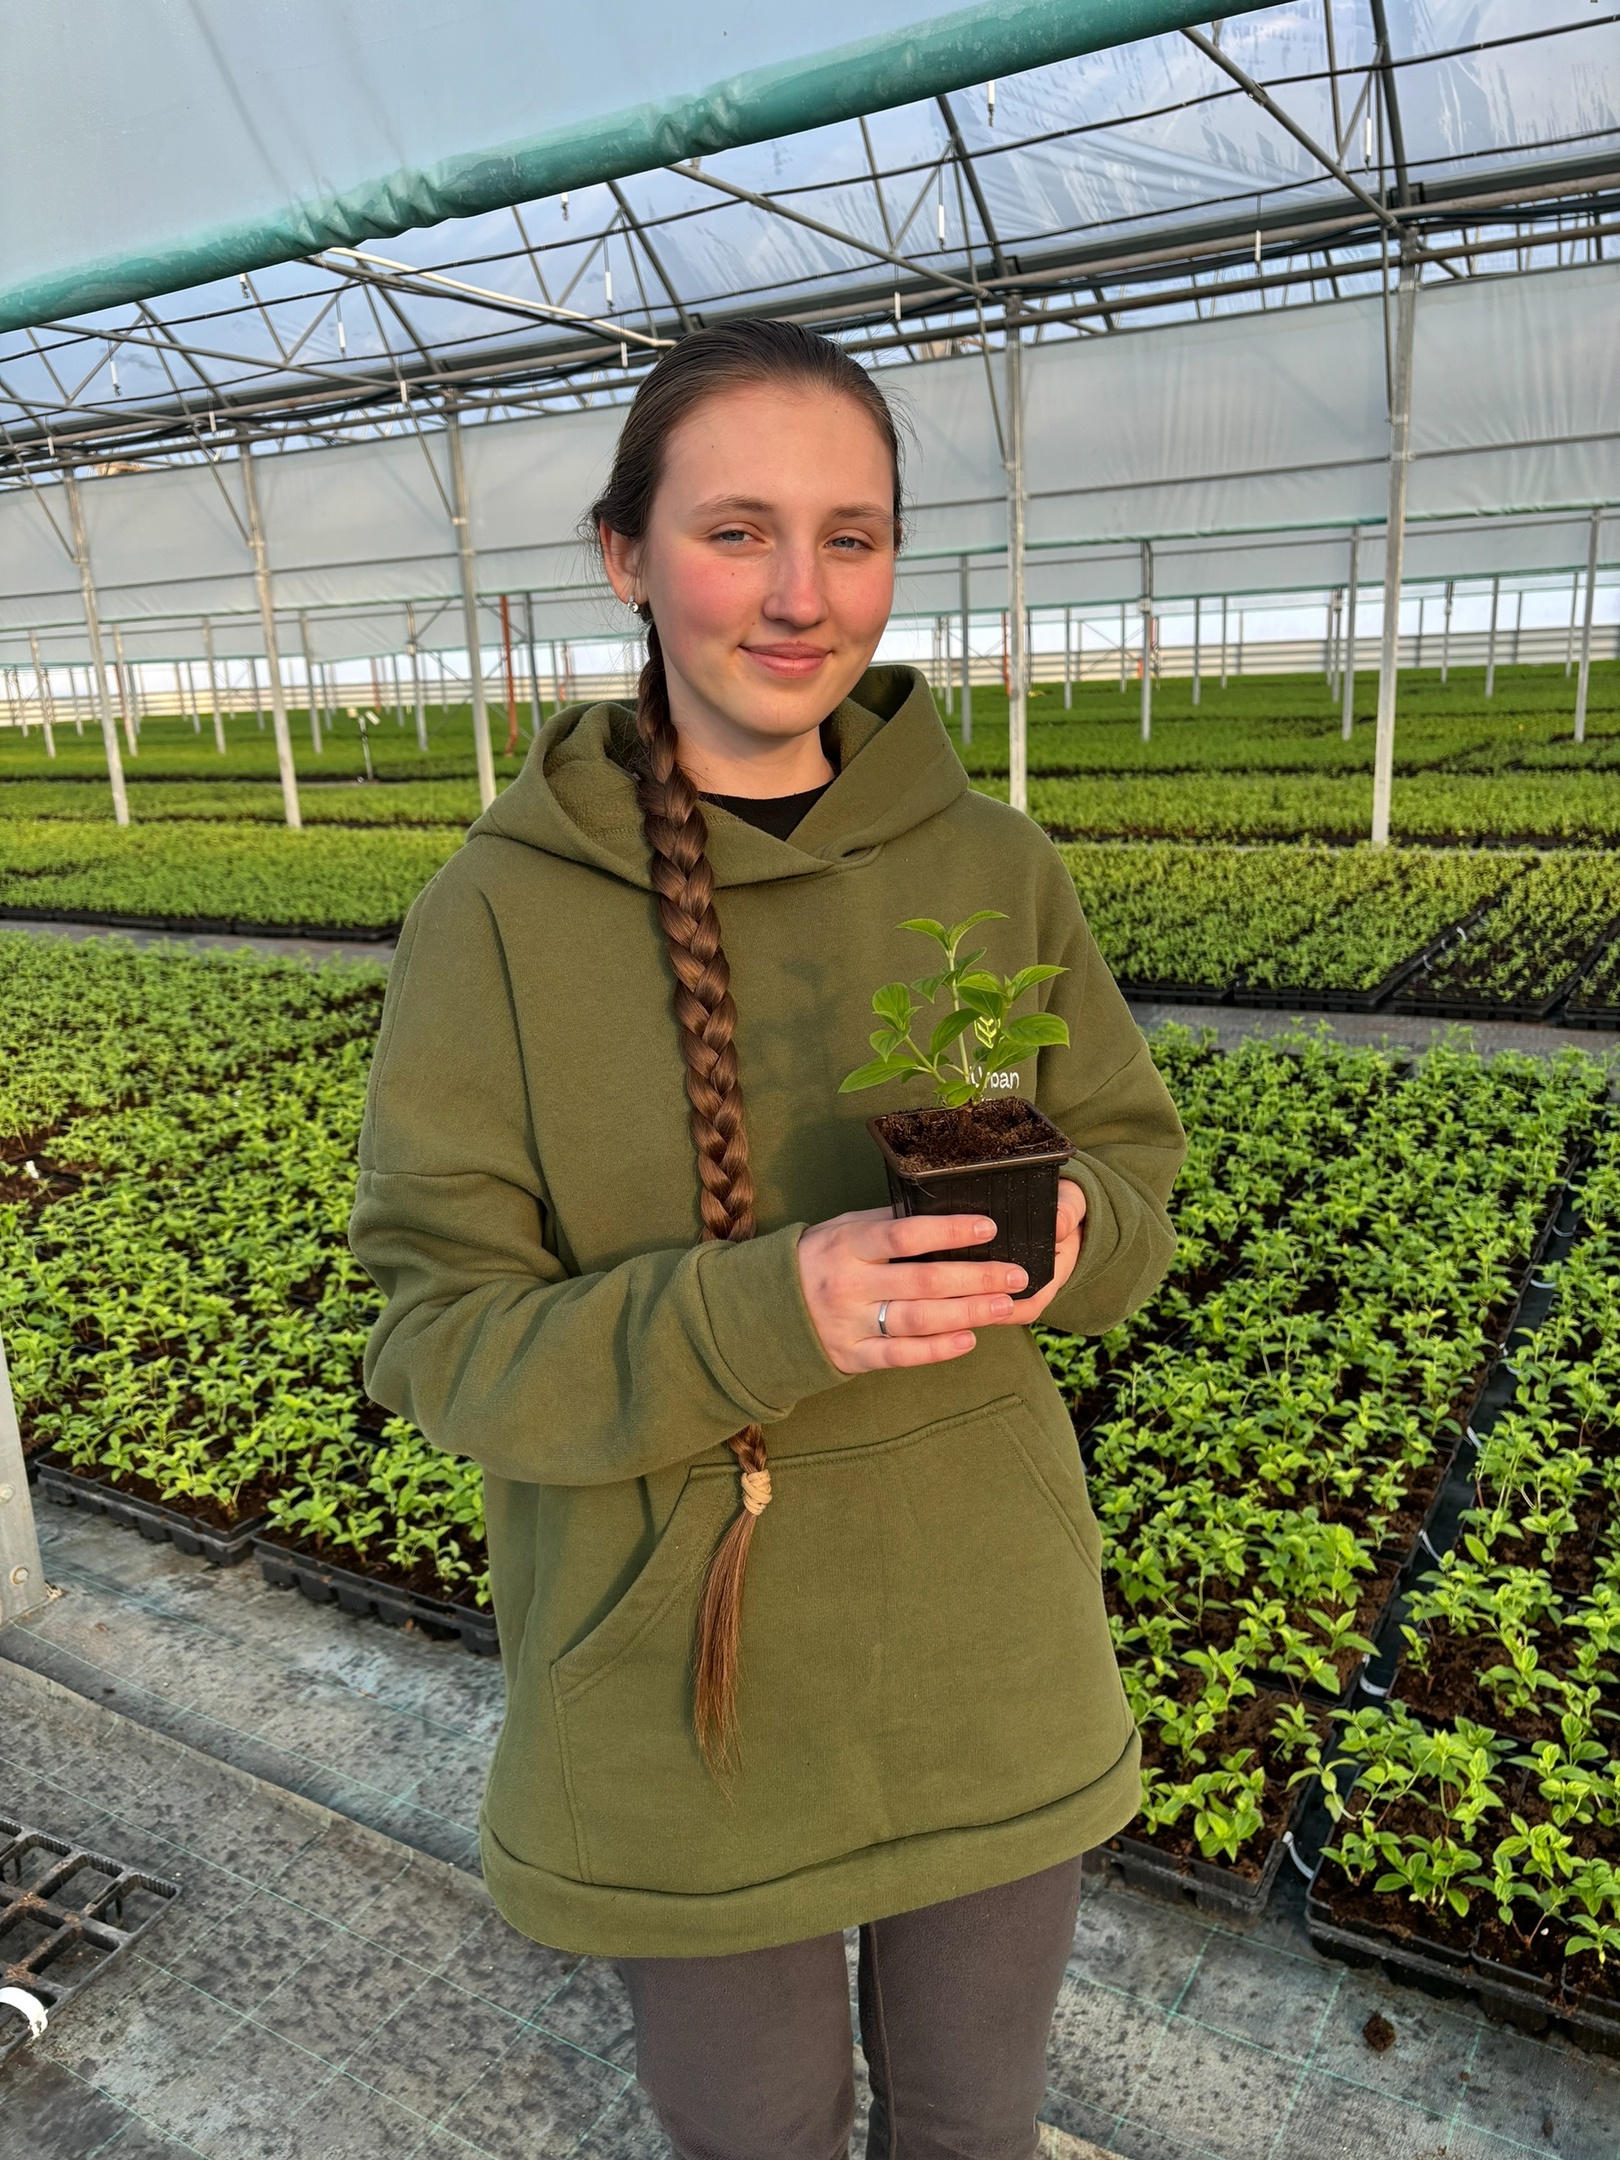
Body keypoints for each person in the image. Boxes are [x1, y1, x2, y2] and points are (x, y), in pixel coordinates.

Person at [349, 319, 1186, 2160]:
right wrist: (766, 1310)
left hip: (988, 1651)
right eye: (738, 531)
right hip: (684, 1689)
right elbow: (440, 1335)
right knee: (759, 2134)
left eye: (851, 536)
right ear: (625, 556)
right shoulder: (499, 917)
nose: (803, 595)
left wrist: (1065, 1230)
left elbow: (1132, 1175)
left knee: (974, 2125)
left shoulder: (995, 868)